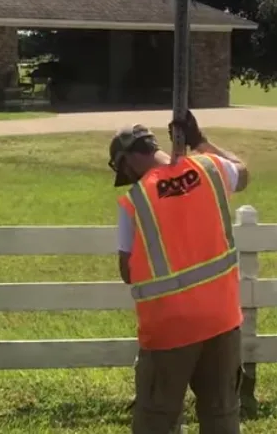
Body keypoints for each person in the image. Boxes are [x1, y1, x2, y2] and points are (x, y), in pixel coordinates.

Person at [109, 110, 250, 434]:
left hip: (168, 330)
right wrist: (201, 142)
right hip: (222, 321)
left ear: (128, 161)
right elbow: (243, 174)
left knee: (155, 418)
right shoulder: (209, 168)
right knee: (221, 415)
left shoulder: (136, 200)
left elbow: (127, 271)